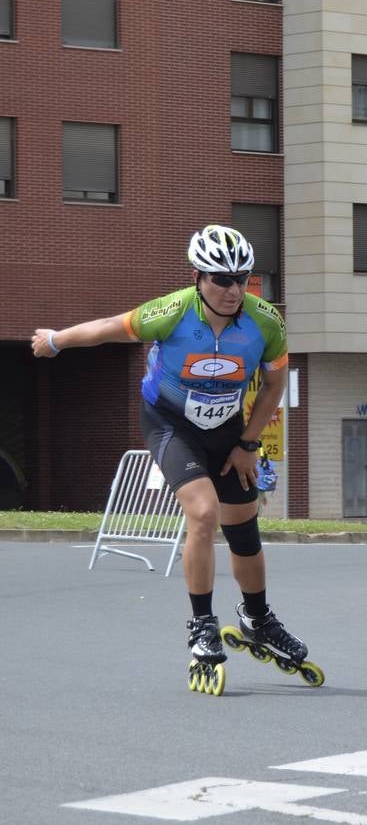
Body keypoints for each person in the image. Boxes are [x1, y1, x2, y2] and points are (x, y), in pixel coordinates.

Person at [30, 225, 309, 691]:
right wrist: (56, 340)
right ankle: (201, 626)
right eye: (221, 279)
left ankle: (257, 617)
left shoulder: (265, 321)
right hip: (170, 423)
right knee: (203, 513)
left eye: (241, 278)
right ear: (198, 277)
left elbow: (276, 383)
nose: (233, 289)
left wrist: (248, 443)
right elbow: (108, 330)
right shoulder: (173, 310)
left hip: (227, 428)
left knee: (244, 529)